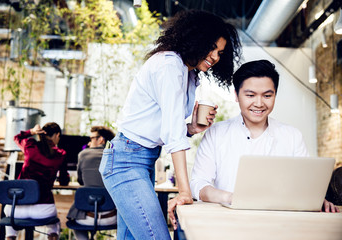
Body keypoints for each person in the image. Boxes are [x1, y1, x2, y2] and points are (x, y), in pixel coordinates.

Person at [99, 9, 242, 239]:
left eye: (220, 53)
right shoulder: (169, 65)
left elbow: (166, 127)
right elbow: (172, 133)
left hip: (141, 160)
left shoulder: (190, 74)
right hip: (126, 162)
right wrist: (184, 190)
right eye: (212, 47)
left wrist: (192, 129)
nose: (215, 57)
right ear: (196, 39)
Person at [190, 59, 340, 213]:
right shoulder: (216, 133)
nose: (259, 103)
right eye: (250, 95)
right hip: (230, 220)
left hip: (281, 222)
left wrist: (316, 199)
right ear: (236, 95)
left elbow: (306, 183)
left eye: (267, 96)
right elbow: (198, 184)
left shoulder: (292, 136)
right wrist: (230, 198)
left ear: (275, 95)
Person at [4, 122, 66, 240]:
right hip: (43, 210)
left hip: (17, 209)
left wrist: (31, 131)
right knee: (54, 223)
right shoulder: (61, 154)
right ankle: (52, 234)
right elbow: (64, 181)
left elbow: (17, 138)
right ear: (57, 135)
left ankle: (10, 236)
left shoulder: (30, 146)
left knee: (9, 211)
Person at [67, 126, 117, 240]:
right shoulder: (115, 156)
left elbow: (80, 181)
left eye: (91, 138)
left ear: (101, 140)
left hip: (87, 218)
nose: (89, 142)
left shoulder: (83, 154)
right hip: (111, 217)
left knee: (75, 223)